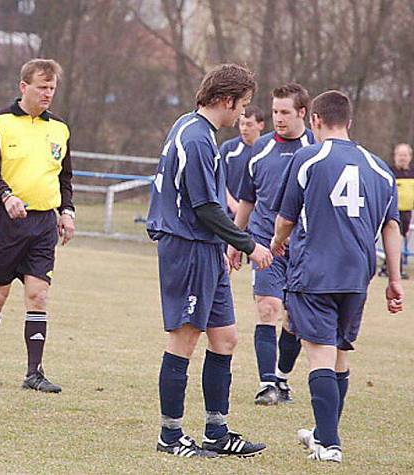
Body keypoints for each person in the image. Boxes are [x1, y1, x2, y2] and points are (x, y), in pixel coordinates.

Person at [146, 63, 273, 458]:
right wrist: (248, 243)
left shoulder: (193, 128)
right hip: (187, 246)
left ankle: (217, 432)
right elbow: (203, 207)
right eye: (242, 105)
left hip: (205, 248)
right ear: (225, 99)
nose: (241, 115)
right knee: (185, 336)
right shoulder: (197, 139)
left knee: (225, 338)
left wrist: (224, 244)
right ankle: (170, 436)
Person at [270, 90, 404, 463]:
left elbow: (285, 219)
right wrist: (394, 278)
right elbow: (391, 227)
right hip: (358, 276)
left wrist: (278, 242)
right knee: (340, 356)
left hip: (315, 272)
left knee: (320, 358)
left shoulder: (308, 158)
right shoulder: (380, 167)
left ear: (314, 120)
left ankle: (328, 444)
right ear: (350, 122)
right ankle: (322, 432)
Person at [0, 58, 75, 392]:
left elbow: (65, 177)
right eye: (42, 87)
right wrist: (5, 196)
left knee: (38, 294)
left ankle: (34, 373)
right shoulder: (0, 123)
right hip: (6, 221)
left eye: (52, 88)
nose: (47, 94)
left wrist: (67, 211)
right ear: (24, 87)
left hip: (44, 222)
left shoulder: (59, 128)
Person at [228, 83, 314, 405]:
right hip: (265, 243)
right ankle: (267, 385)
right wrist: (235, 241)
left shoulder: (317, 148)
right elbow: (247, 200)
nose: (278, 118)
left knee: (294, 321)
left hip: (303, 247)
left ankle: (281, 376)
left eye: (285, 112)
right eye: (275, 111)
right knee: (268, 308)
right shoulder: (260, 149)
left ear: (302, 113)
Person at [219, 105, 265, 217]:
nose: (244, 128)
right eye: (241, 124)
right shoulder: (229, 149)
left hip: (259, 219)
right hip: (231, 215)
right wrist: (233, 204)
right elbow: (218, 180)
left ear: (261, 125)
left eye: (249, 124)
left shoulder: (268, 149)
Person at [380, 143, 413, 279]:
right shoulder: (389, 172)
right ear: (395, 156)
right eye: (400, 155)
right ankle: (395, 270)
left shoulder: (412, 173)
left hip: (407, 212)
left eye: (405, 155)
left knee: (399, 240)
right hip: (393, 213)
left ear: (410, 157)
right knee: (396, 239)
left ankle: (386, 266)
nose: (402, 158)